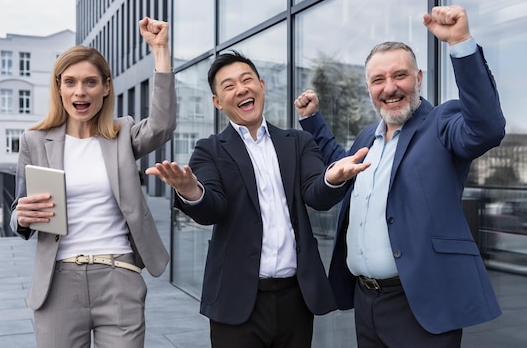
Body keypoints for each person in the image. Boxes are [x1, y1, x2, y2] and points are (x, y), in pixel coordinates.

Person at [294, 5, 505, 348]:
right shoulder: (367, 137)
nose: (389, 88)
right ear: (369, 88)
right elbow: (339, 163)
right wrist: (312, 120)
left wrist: (461, 44)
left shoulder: (441, 123)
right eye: (378, 80)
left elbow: (486, 129)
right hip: (366, 302)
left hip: (421, 303)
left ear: (418, 78)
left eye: (399, 76)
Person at [146, 50, 370, 348]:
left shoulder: (297, 141)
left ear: (261, 85)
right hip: (237, 300)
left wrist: (333, 177)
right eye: (228, 86)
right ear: (217, 102)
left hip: (295, 298)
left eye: (247, 79)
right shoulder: (210, 149)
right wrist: (190, 191)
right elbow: (212, 207)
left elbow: (316, 194)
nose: (241, 89)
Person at [9, 17, 176, 348]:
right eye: (70, 82)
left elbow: (162, 124)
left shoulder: (123, 134)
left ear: (106, 87)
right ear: (59, 87)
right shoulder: (35, 140)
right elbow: (19, 209)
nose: (80, 91)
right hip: (57, 281)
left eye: (90, 82)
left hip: (118, 275)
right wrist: (21, 217)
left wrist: (160, 51)